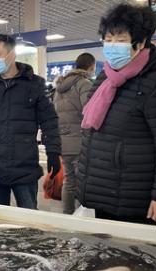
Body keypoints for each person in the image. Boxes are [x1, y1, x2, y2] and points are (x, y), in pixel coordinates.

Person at [77, 4, 156, 225]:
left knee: (132, 258)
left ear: (141, 42)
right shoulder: (104, 79)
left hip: (134, 196)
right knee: (104, 255)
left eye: (120, 40)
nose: (112, 46)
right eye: (108, 39)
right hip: (102, 190)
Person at [0, 34, 61, 210]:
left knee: (28, 221)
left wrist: (53, 152)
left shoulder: (33, 84)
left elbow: (49, 120)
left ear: (12, 54)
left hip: (23, 167)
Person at [53, 53, 96, 214]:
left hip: (63, 141)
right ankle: (83, 219)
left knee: (69, 181)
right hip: (80, 141)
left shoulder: (60, 87)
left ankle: (68, 216)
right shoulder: (84, 84)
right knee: (83, 182)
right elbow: (90, 112)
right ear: (91, 66)